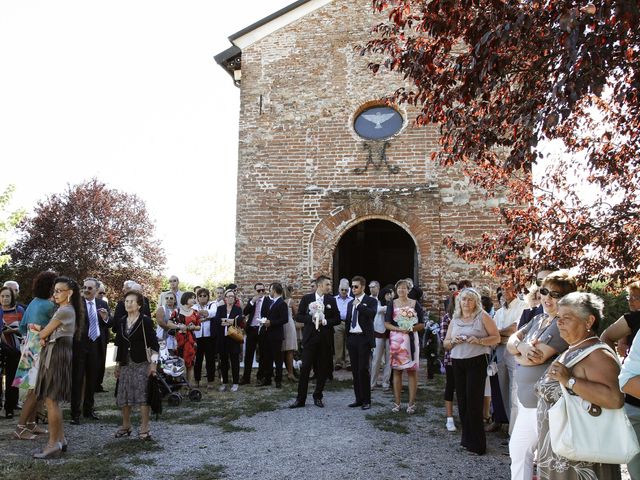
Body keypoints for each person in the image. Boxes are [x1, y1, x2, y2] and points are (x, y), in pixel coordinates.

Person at [537, 292, 623, 479]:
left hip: (582, 459)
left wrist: (570, 381)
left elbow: (614, 399)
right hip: (563, 454)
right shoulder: (573, 349)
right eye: (558, 317)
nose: (559, 322)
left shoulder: (598, 354)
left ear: (589, 321)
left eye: (566, 318)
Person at [506, 270, 576, 479]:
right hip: (528, 403)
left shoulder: (562, 323)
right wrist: (522, 346)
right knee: (518, 452)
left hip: (545, 404)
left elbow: (537, 357)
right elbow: (511, 341)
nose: (547, 298)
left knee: (547, 460)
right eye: (545, 291)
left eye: (555, 295)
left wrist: (520, 354)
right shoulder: (539, 319)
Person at [443, 288, 500, 455]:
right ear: (458, 302)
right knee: (462, 400)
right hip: (457, 362)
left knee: (474, 401)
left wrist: (480, 340)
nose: (466, 302)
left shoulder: (482, 316)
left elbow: (496, 337)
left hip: (476, 361)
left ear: (476, 302)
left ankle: (478, 444)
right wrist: (453, 341)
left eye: (469, 299)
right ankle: (466, 440)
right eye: (463, 299)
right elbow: (446, 343)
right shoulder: (455, 319)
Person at [33, 276, 84, 458]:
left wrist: (41, 332)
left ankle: (53, 443)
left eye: (59, 291)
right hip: (58, 352)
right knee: (52, 400)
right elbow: (47, 332)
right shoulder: (64, 309)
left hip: (57, 355)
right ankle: (60, 440)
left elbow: (45, 333)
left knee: (51, 400)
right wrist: (44, 333)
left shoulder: (65, 311)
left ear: (69, 293)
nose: (55, 294)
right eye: (54, 290)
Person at [13, 271, 57, 440]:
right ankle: (20, 428)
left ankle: (31, 424)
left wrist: (29, 339)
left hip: (29, 347)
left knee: (35, 389)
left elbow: (22, 326)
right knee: (34, 390)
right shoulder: (49, 306)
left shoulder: (33, 302)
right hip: (41, 348)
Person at [113, 290, 159, 440]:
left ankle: (144, 428)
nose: (128, 304)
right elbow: (118, 343)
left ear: (139, 305)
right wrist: (117, 364)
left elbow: (154, 344)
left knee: (142, 395)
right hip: (126, 362)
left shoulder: (145, 321)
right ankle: (126, 426)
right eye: (126, 301)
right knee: (124, 394)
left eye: (132, 301)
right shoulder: (121, 321)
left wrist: (153, 364)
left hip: (142, 363)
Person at [605, 280, 640, 479]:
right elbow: (606, 336)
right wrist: (615, 370)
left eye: (636, 298)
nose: (631, 302)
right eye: (630, 297)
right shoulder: (632, 320)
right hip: (634, 398)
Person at [289, 275, 340, 408]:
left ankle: (318, 396)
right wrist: (310, 319)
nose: (329, 287)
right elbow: (299, 316)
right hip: (310, 339)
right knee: (305, 368)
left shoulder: (331, 300)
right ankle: (300, 399)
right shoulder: (307, 299)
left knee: (322, 369)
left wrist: (326, 321)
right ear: (320, 286)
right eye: (327, 284)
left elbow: (337, 319)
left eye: (329, 284)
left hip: (325, 339)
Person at [491, 280, 527, 434]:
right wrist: (500, 335)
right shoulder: (499, 312)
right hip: (500, 350)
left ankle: (514, 429)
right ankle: (502, 420)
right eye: (502, 289)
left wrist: (498, 333)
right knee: (501, 387)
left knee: (514, 388)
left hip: (514, 352)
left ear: (515, 290)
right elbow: (491, 333)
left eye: (508, 288)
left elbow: (515, 329)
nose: (504, 292)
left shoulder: (523, 307)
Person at [385, 279, 426, 414]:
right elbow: (387, 323)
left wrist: (410, 328)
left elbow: (422, 324)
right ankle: (397, 403)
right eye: (399, 288)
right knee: (397, 371)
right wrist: (398, 328)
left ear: (408, 290)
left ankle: (411, 403)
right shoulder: (392, 303)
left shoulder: (415, 304)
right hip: (397, 341)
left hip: (411, 339)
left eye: (404, 288)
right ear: (396, 291)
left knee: (411, 371)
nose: (401, 290)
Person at [345, 276, 378, 410]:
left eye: (356, 286)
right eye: (352, 287)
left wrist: (359, 305)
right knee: (354, 370)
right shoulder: (349, 303)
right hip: (352, 338)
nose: (353, 289)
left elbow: (372, 314)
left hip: (364, 338)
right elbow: (348, 320)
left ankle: (367, 400)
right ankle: (358, 399)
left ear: (363, 287)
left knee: (363, 370)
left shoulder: (370, 301)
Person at [258, 282, 289, 388]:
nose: (269, 291)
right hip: (267, 334)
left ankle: (278, 380)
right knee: (267, 357)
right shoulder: (270, 302)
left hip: (276, 335)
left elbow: (285, 319)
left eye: (270, 289)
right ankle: (267, 379)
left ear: (274, 290)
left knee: (277, 358)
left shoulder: (282, 303)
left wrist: (271, 322)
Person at [0, 286, 25, 418]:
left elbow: (24, 327)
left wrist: (13, 330)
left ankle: (10, 407)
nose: (5, 298)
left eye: (7, 296)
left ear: (12, 297)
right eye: (2, 296)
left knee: (13, 378)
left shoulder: (19, 310)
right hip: (1, 347)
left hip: (14, 348)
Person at [241, 282, 272, 385]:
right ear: (255, 291)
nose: (261, 292)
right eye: (259, 290)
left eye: (263, 290)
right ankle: (246, 378)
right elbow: (244, 313)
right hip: (252, 329)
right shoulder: (252, 301)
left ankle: (260, 377)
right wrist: (252, 301)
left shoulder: (268, 301)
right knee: (248, 355)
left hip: (263, 329)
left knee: (263, 354)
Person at [214, 289, 244, 392]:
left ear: (235, 299)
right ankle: (225, 382)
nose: (230, 298)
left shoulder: (237, 309)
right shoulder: (220, 308)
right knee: (223, 362)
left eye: (232, 296)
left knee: (235, 361)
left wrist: (226, 321)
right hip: (222, 338)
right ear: (225, 298)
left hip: (233, 338)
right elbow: (217, 320)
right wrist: (230, 321)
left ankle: (235, 383)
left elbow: (239, 320)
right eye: (228, 296)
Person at [174, 292, 201, 384]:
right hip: (179, 340)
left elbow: (199, 326)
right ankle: (178, 385)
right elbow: (169, 324)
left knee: (190, 363)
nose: (194, 300)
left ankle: (189, 386)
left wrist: (192, 327)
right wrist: (179, 326)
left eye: (194, 298)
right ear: (186, 299)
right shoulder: (177, 311)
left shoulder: (195, 313)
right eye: (192, 298)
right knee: (179, 363)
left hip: (191, 341)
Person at [440, 291, 457, 431]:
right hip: (451, 358)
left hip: (468, 358)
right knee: (450, 386)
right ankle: (449, 418)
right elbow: (444, 340)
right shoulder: (447, 318)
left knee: (465, 389)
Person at [193, 288, 216, 390]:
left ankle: (210, 381)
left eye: (204, 296)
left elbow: (213, 313)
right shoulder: (194, 306)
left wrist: (202, 315)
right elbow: (193, 317)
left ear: (208, 297)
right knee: (198, 359)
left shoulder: (213, 304)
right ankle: (197, 380)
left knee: (210, 359)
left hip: (209, 336)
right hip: (197, 337)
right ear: (197, 297)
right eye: (200, 296)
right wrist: (207, 317)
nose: (202, 297)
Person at [371, 287, 393, 392]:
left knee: (389, 360)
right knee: (376, 359)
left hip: (390, 334)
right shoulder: (377, 302)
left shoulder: (393, 303)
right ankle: (372, 383)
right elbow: (378, 310)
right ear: (383, 294)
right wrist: (389, 307)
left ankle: (385, 383)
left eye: (391, 294)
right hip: (379, 332)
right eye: (388, 294)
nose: (389, 296)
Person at [333, 278, 352, 371]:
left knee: (348, 343)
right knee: (338, 343)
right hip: (338, 323)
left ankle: (349, 363)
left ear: (348, 290)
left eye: (346, 290)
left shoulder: (352, 300)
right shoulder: (334, 299)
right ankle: (338, 362)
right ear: (339, 290)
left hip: (349, 322)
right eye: (342, 290)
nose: (344, 291)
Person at [282, 284, 298, 382]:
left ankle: (285, 371)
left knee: (282, 349)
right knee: (290, 350)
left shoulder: (279, 301)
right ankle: (291, 373)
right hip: (289, 324)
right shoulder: (290, 301)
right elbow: (296, 314)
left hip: (281, 325)